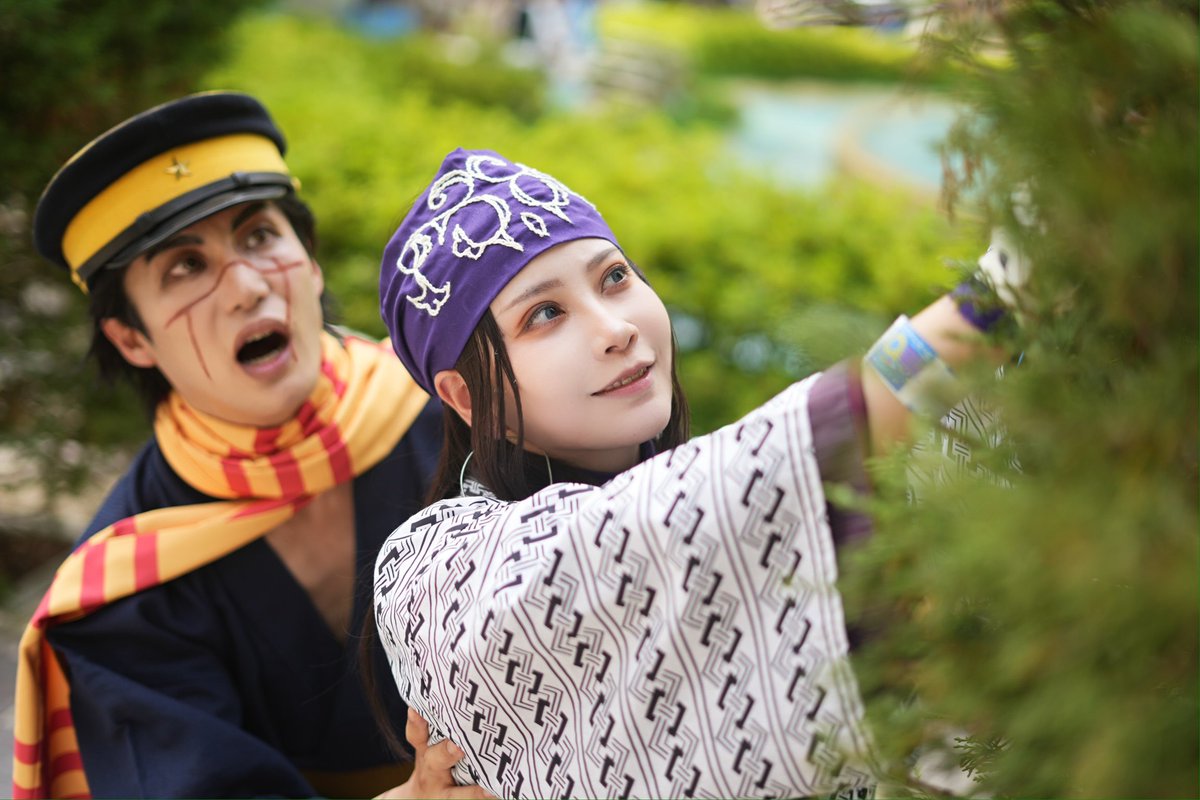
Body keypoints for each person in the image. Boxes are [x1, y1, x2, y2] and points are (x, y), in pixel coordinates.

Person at [370, 149, 1023, 798]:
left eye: (615, 278)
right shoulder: (433, 573)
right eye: (545, 314)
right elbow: (713, 499)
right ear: (466, 397)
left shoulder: (695, 481)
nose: (616, 329)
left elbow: (930, 452)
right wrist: (989, 304)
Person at [12, 93, 485, 800]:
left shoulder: (459, 412)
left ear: (311, 262)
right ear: (131, 338)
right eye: (185, 267)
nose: (245, 286)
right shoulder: (125, 582)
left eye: (260, 236)